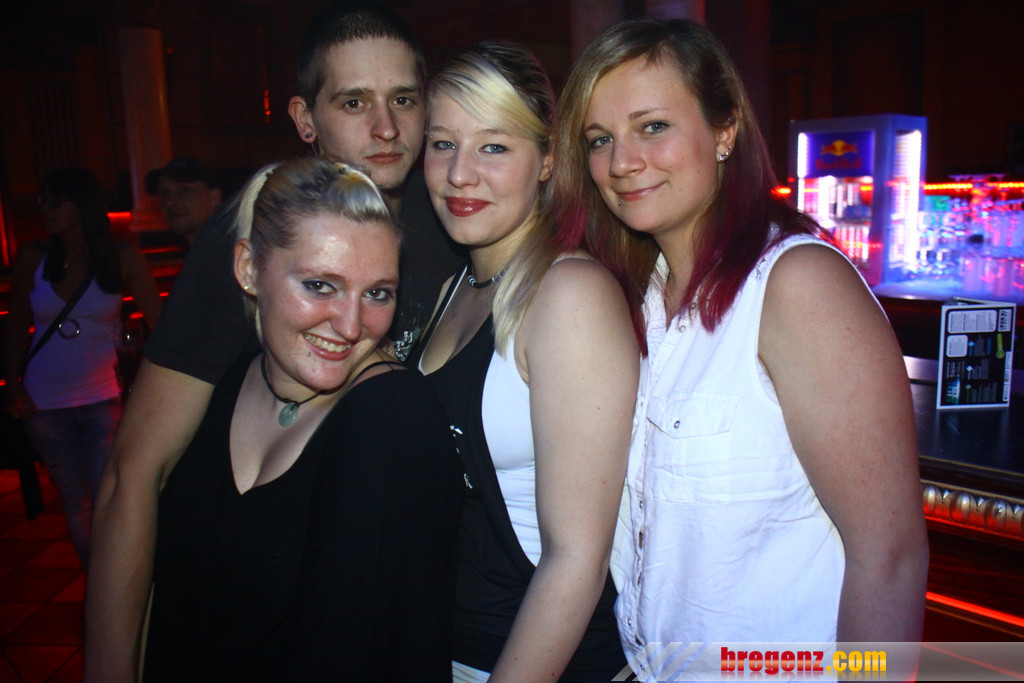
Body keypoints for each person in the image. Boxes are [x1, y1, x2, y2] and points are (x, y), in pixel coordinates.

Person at [85, 4, 465, 680]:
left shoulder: (457, 225)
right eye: (354, 102)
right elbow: (132, 475)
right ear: (305, 118)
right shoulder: (256, 236)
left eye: (404, 100)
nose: (386, 127)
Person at [551, 18, 930, 677]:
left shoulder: (797, 285)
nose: (621, 162)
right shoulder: (637, 299)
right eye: (600, 139)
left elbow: (890, 557)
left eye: (652, 126)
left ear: (725, 130)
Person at [141, 157, 462, 681]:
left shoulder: (392, 419)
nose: (351, 325)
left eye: (377, 293)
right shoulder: (225, 385)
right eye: (320, 285)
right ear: (249, 268)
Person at [409, 42, 638, 681]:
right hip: (447, 645)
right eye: (442, 143)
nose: (459, 174)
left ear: (548, 161)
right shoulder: (455, 288)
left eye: (493, 146)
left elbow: (577, 559)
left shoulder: (568, 294)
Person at [2, 168, 162, 569]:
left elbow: (160, 322)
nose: (45, 209)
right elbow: (16, 324)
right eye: (42, 201)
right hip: (45, 401)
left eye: (55, 201)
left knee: (110, 496)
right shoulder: (33, 257)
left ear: (83, 205)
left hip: (103, 397)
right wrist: (12, 387)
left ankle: (116, 586)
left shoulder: (121, 256)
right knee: (77, 504)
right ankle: (98, 589)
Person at [145, 156, 222, 245]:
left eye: (183, 191)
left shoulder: (229, 249)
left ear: (214, 198)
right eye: (164, 194)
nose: (169, 202)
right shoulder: (206, 250)